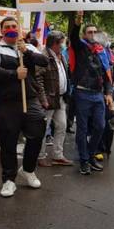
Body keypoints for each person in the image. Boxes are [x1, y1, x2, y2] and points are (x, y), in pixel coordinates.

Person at [0, 16, 48, 197]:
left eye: (14, 26)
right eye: (7, 27)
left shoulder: (28, 48)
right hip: (7, 103)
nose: (11, 28)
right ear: (2, 30)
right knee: (8, 142)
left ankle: (27, 169)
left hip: (31, 99)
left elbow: (44, 62)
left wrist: (26, 52)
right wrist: (14, 74)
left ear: (20, 29)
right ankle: (8, 180)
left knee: (37, 134)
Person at [68, 11, 113, 175]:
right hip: (82, 94)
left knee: (100, 126)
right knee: (82, 128)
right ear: (84, 35)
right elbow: (73, 36)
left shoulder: (102, 51)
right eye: (89, 32)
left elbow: (107, 73)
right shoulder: (80, 47)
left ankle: (90, 153)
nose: (93, 34)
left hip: (98, 95)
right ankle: (84, 160)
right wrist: (78, 20)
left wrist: (109, 93)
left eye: (95, 32)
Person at [37, 30, 73, 167]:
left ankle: (58, 155)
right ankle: (40, 156)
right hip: (48, 99)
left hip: (60, 98)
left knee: (62, 125)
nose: (63, 46)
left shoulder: (60, 56)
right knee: (43, 128)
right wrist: (43, 99)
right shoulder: (44, 56)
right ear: (54, 44)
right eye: (61, 43)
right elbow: (38, 78)